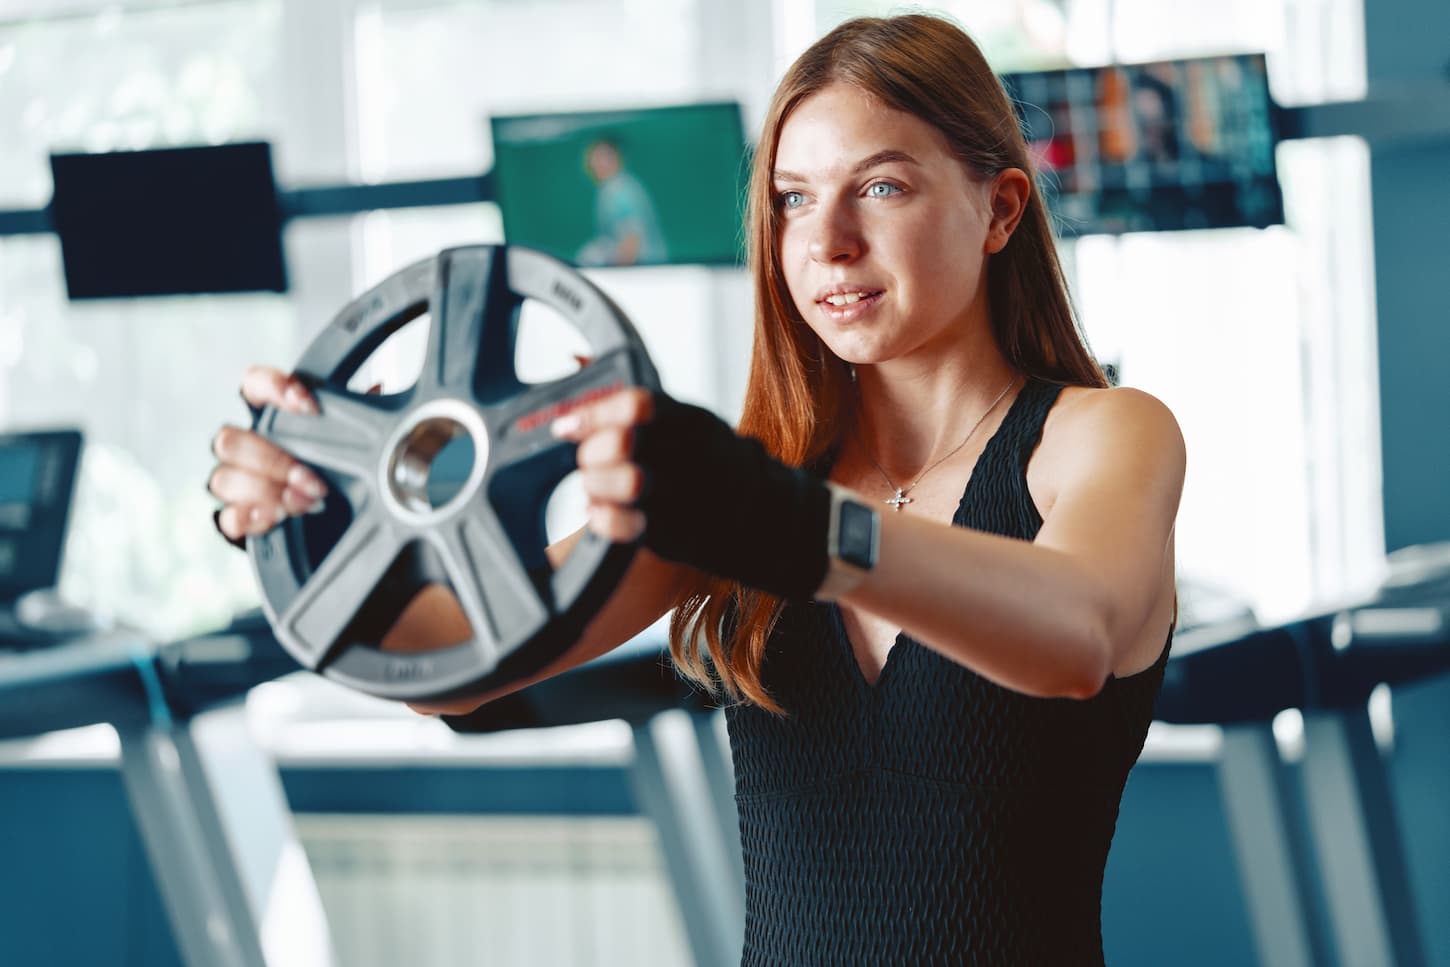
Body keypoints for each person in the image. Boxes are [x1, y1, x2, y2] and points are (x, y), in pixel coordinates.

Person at [208, 13, 1185, 965]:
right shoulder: (746, 491)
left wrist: (790, 524)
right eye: (793, 199)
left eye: (880, 187)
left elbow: (1077, 636)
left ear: (1001, 209)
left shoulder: (1103, 436)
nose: (828, 241)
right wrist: (327, 526)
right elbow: (459, 660)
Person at [576, 137, 669, 267]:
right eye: (595, 157)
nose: (598, 162)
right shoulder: (611, 188)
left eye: (605, 157)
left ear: (616, 158)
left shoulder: (619, 191)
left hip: (644, 272)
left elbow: (631, 242)